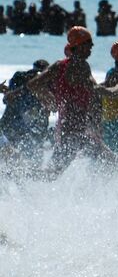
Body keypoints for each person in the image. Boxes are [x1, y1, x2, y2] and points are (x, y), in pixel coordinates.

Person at [29, 26, 110, 171]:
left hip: (68, 124)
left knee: (56, 169)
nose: (91, 48)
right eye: (88, 44)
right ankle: (22, 178)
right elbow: (93, 92)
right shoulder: (81, 66)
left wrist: (49, 98)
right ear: (78, 45)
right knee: (56, 170)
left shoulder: (60, 65)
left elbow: (34, 84)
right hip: (75, 126)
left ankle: (25, 178)